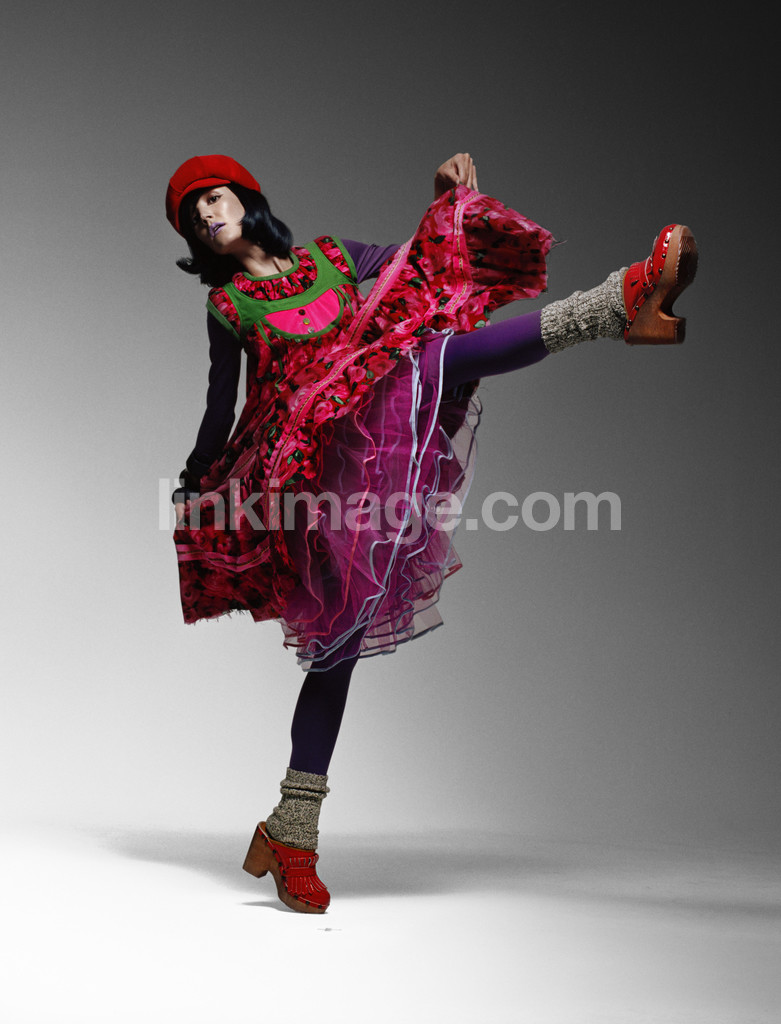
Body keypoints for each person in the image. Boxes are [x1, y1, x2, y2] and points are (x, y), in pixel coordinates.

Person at [165, 152, 697, 913]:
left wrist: (447, 205)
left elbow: (424, 274)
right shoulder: (230, 306)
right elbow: (222, 408)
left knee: (425, 356)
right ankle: (616, 306)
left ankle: (290, 831)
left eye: (214, 198)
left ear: (247, 198)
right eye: (194, 217)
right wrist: (196, 481)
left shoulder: (333, 258)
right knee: (337, 647)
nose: (207, 216)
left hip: (378, 438)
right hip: (312, 469)